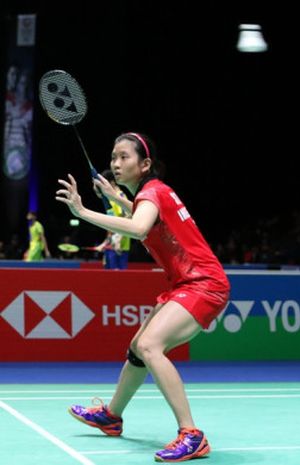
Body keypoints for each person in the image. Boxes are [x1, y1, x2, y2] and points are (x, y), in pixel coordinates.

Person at [56, 132, 230, 462]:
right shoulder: (154, 195)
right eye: (113, 157)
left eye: (124, 157)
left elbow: (137, 228)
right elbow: (145, 218)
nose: (115, 163)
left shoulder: (152, 192)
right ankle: (111, 416)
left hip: (204, 284)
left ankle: (191, 434)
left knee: (151, 346)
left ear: (145, 164)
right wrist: (116, 196)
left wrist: (82, 211)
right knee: (138, 347)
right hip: (186, 283)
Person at [95, 169, 131, 269]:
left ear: (111, 182)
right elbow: (112, 225)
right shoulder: (110, 199)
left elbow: (128, 217)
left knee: (119, 281)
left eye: (104, 183)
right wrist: (106, 242)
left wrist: (119, 238)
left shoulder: (120, 196)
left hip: (119, 246)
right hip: (111, 245)